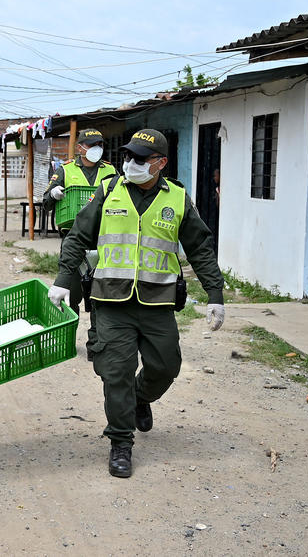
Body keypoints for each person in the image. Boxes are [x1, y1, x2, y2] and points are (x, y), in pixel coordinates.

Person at [48, 129, 224, 479]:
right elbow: (79, 236)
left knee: (166, 366)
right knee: (116, 373)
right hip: (111, 300)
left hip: (157, 302)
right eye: (128, 156)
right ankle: (120, 443)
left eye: (140, 159)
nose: (131, 163)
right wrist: (63, 280)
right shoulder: (109, 190)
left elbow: (200, 248)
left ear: (160, 163)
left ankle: (140, 398)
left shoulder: (177, 198)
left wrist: (215, 294)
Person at [42, 128, 117, 360]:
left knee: (98, 296)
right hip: (73, 238)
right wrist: (53, 194)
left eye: (100, 145)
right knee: (70, 294)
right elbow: (45, 202)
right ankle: (66, 343)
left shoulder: (111, 170)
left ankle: (96, 346)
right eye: (92, 144)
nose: (96, 149)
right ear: (80, 148)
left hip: (101, 238)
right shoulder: (65, 170)